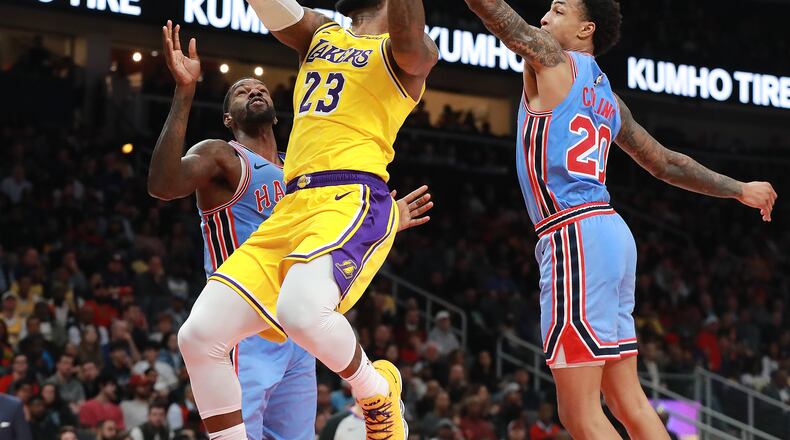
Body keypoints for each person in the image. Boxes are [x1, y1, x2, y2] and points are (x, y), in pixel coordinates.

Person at [462, 0, 778, 438]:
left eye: (558, 10)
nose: (544, 18)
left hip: (573, 233)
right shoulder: (608, 98)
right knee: (626, 400)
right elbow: (665, 163)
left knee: (579, 414)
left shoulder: (551, 57)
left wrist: (738, 188)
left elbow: (498, 16)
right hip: (610, 235)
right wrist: (739, 188)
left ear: (586, 29)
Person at [150, 19, 434, 440]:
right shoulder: (222, 156)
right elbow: (162, 184)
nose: (254, 91)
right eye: (241, 91)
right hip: (246, 326)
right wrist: (185, 91)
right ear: (227, 117)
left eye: (260, 89)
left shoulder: (300, 171)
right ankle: (375, 392)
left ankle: (379, 399)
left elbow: (336, 231)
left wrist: (387, 217)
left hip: (297, 336)